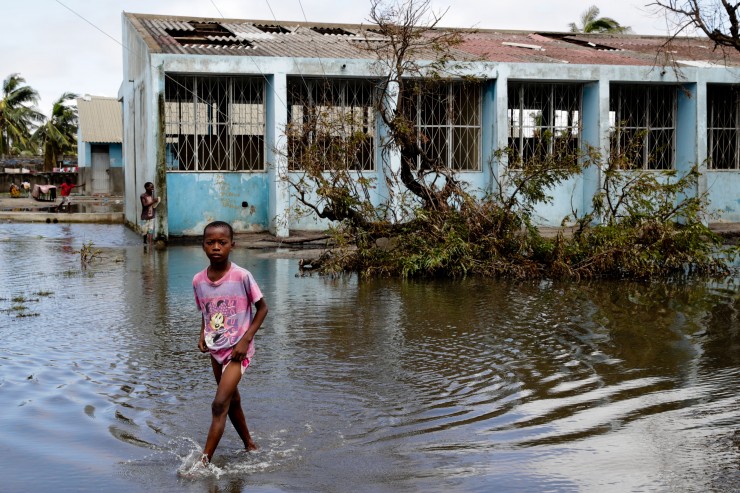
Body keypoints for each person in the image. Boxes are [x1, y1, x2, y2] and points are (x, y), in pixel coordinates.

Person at [193, 220, 268, 465]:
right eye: (210, 242)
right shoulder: (198, 281)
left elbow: (263, 309)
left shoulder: (242, 276)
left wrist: (246, 340)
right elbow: (205, 310)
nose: (216, 247)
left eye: (222, 243)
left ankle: (204, 462)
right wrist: (202, 333)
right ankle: (250, 445)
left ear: (231, 245)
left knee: (218, 404)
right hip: (215, 349)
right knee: (231, 400)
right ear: (203, 246)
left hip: (238, 351)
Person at [139, 182, 161, 247]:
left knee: (151, 231)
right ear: (146, 187)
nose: (152, 188)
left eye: (153, 187)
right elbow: (145, 205)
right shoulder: (143, 196)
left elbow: (154, 205)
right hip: (144, 217)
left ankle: (150, 245)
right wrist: (154, 201)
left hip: (152, 216)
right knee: (145, 232)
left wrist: (156, 201)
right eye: (151, 187)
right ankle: (145, 243)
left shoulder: (152, 195)